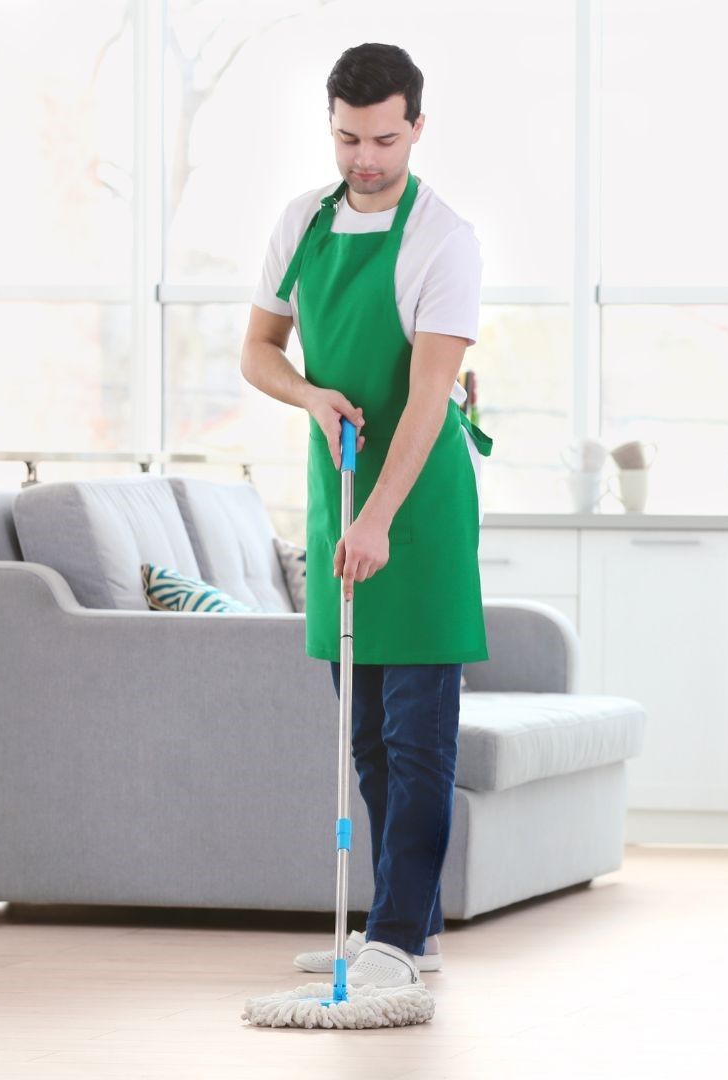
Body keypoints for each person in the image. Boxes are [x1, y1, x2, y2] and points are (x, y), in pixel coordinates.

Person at [240, 42, 490, 987]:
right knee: (366, 740)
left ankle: (389, 935)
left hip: (414, 508)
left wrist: (380, 519)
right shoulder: (301, 222)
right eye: (348, 138)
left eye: (384, 138)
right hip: (335, 485)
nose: (365, 159)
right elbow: (258, 350)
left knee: (418, 738)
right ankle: (403, 932)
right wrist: (308, 397)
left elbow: (429, 397)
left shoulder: (443, 239)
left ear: (416, 127)